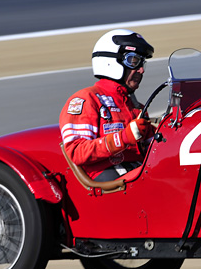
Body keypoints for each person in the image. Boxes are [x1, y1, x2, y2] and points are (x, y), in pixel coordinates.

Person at [60, 29, 156, 182]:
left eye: (142, 62)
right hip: (110, 179)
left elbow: (154, 148)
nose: (141, 69)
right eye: (134, 61)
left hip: (139, 172)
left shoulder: (137, 106)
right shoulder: (86, 99)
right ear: (110, 62)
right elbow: (77, 152)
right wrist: (123, 138)